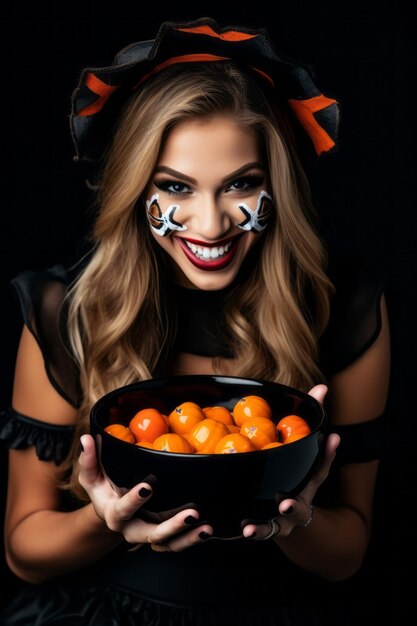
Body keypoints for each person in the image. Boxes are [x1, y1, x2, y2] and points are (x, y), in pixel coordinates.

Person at [0, 16, 390, 626]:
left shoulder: (345, 306)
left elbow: (348, 556)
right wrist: (110, 523)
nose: (210, 227)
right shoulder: (66, 310)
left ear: (275, 186)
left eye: (241, 184)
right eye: (175, 188)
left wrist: (292, 523)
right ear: (136, 190)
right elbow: (24, 552)